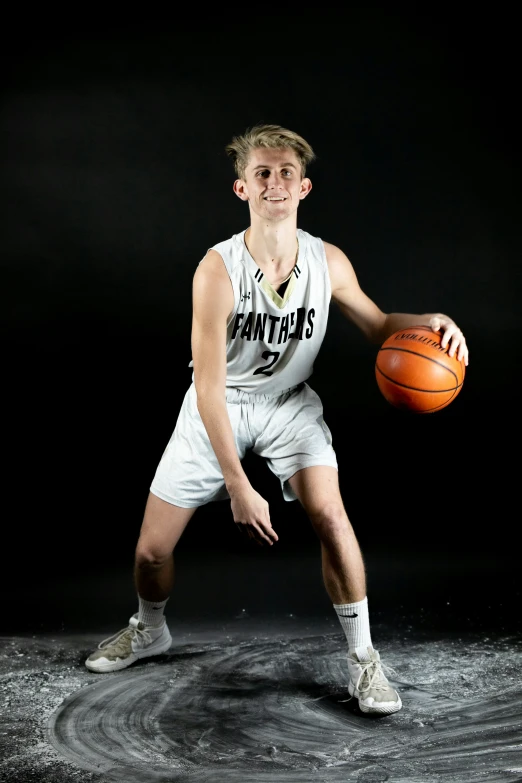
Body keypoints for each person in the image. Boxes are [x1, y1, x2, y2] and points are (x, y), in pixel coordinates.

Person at [85, 124, 469, 716]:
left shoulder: (327, 261)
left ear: (304, 186)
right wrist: (239, 484)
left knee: (332, 517)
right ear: (242, 188)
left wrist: (432, 320)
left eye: (285, 172)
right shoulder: (216, 271)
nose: (274, 182)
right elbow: (208, 387)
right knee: (150, 554)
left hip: (290, 404)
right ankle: (149, 626)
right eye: (262, 173)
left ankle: (365, 660)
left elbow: (377, 325)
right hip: (220, 404)